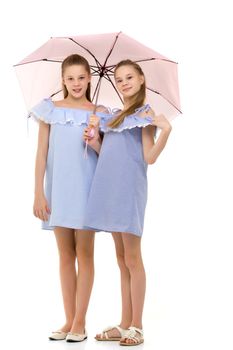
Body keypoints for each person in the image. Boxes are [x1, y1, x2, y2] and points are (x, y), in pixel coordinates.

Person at [83, 59, 172, 346]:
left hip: (129, 190)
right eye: (119, 79)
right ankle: (124, 324)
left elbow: (149, 157)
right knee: (121, 260)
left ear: (142, 78)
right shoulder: (116, 116)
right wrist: (94, 137)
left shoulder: (145, 115)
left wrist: (166, 131)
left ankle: (138, 326)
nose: (124, 83)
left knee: (133, 258)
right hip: (109, 188)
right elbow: (104, 152)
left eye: (129, 77)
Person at [30, 54, 108, 342]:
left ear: (89, 78)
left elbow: (106, 156)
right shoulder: (50, 110)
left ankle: (80, 321)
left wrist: (95, 138)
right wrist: (39, 191)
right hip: (58, 190)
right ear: (62, 80)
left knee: (85, 254)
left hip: (87, 190)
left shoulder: (98, 112)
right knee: (65, 255)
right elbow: (41, 153)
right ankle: (68, 318)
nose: (76, 83)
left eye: (81, 77)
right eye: (70, 78)